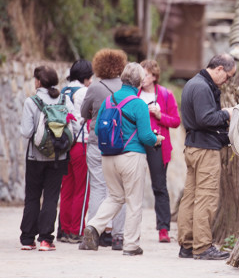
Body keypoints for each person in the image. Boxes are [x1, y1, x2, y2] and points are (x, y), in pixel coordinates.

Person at [78, 62, 164, 256]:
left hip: (108, 156)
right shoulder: (139, 103)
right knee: (133, 201)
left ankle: (93, 226)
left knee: (115, 197)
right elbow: (145, 136)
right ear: (140, 82)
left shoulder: (109, 100)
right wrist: (156, 138)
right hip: (131, 157)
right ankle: (131, 245)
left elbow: (99, 128)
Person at [177, 53, 236, 260]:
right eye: (228, 76)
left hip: (192, 146)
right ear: (219, 69)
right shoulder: (202, 87)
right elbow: (205, 119)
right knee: (206, 198)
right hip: (205, 150)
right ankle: (202, 247)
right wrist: (227, 113)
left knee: (190, 197)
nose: (227, 81)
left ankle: (187, 244)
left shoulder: (193, 83)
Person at [19, 65, 76, 251]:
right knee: (51, 197)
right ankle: (45, 239)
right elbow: (74, 128)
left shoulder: (31, 102)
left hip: (34, 157)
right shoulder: (64, 100)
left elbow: (27, 132)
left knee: (33, 197)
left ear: (39, 82)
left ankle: (28, 239)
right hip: (58, 158)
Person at [80, 48, 128, 250]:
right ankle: (118, 236)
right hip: (121, 144)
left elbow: (84, 112)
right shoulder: (127, 88)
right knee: (121, 191)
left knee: (98, 188)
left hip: (97, 142)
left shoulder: (95, 87)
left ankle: (93, 234)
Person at [138, 59, 181, 243]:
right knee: (132, 187)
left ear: (154, 76)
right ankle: (129, 230)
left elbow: (176, 121)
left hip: (158, 142)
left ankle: (163, 228)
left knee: (159, 186)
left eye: (146, 74)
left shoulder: (165, 94)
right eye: (141, 74)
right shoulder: (134, 94)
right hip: (137, 143)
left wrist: (159, 115)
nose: (143, 78)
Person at [58, 59, 93, 244]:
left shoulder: (63, 90)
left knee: (67, 189)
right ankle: (76, 230)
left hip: (65, 143)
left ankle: (63, 229)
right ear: (86, 76)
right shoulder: (84, 92)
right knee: (82, 189)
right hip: (81, 143)